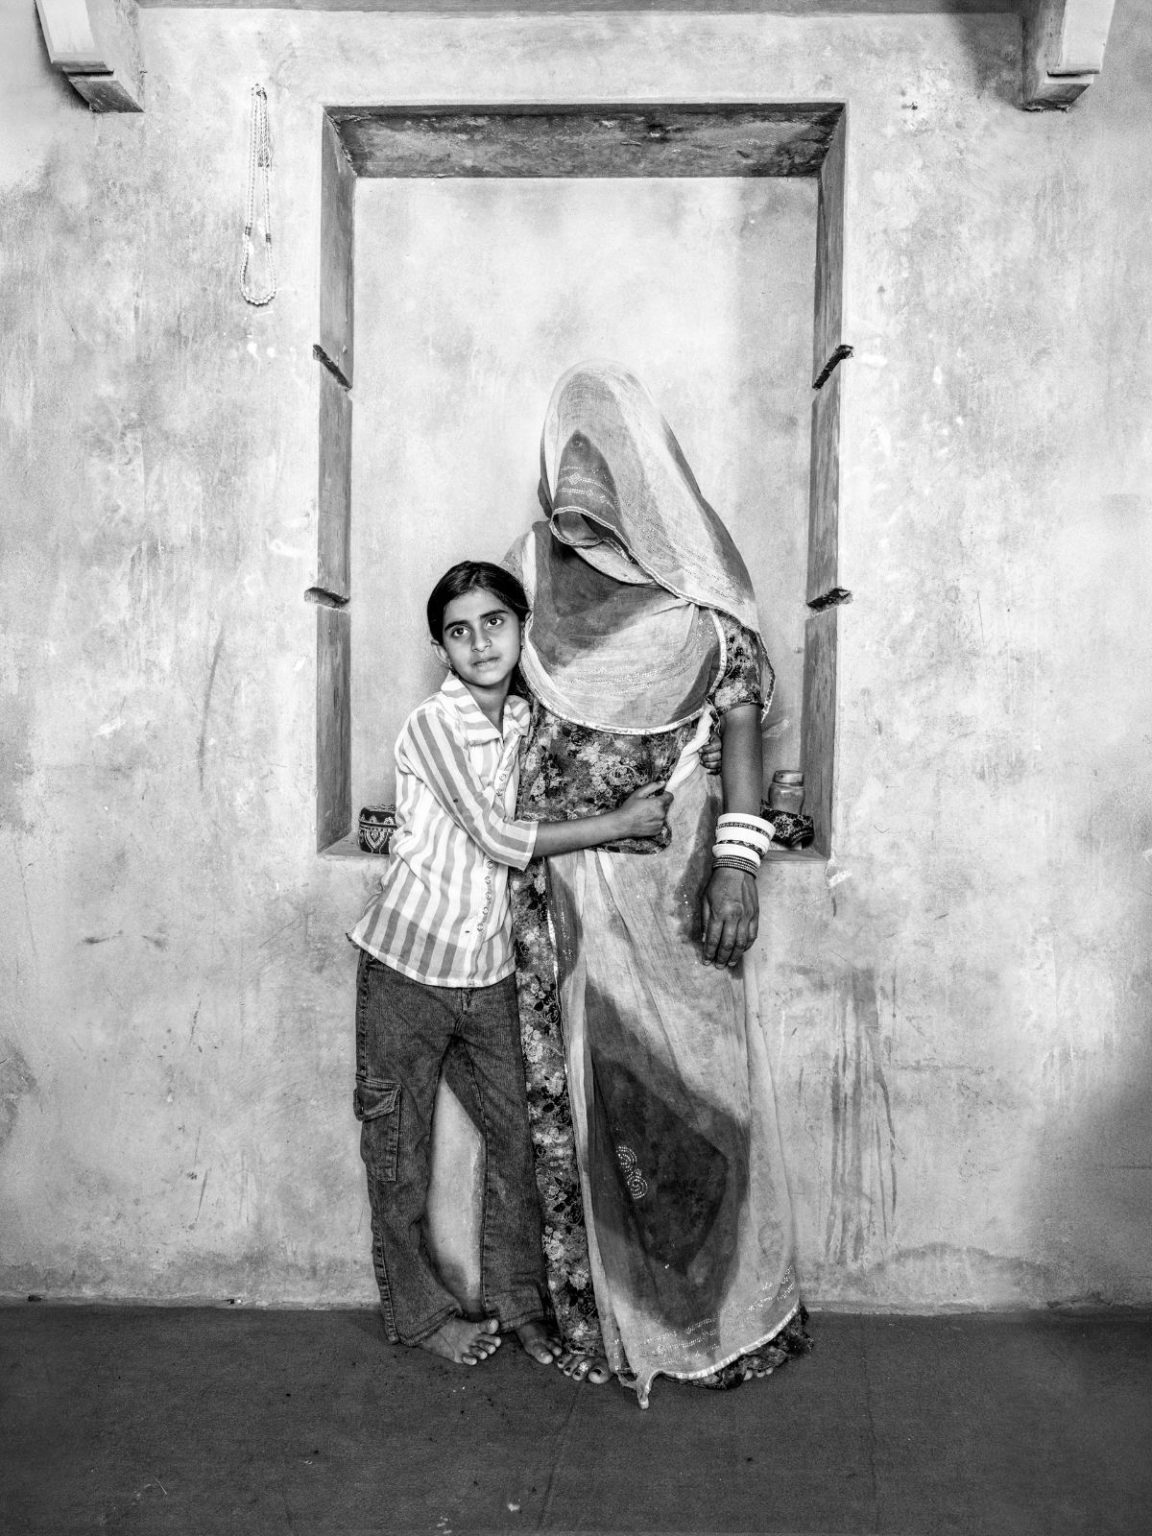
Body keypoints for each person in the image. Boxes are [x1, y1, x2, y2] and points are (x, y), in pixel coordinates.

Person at [506, 363, 811, 1406]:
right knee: (597, 1109)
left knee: (703, 1099)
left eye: (605, 463)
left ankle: (718, 1319)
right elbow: (485, 730)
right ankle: (618, 1322)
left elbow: (738, 739)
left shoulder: (708, 602)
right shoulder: (527, 584)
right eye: (569, 464)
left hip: (681, 908)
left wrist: (738, 865)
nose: (584, 488)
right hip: (569, 907)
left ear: (644, 466)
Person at [349, 560, 672, 1369]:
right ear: (441, 647)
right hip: (405, 973)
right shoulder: (432, 724)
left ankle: (520, 1305)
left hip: (490, 974)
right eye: (460, 630)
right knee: (398, 1155)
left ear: (522, 626)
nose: (480, 641)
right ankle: (422, 1318)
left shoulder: (530, 720)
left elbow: (602, 748)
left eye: (495, 621)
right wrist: (617, 822)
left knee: (528, 1142)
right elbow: (497, 838)